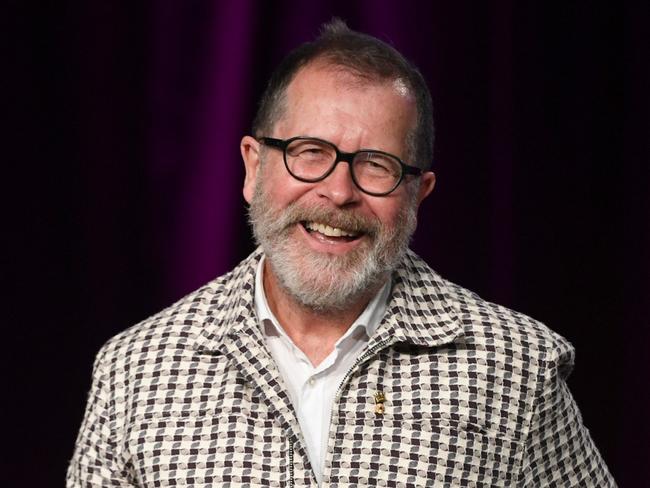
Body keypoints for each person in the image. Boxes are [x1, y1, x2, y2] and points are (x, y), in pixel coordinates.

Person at [68, 19, 615, 487]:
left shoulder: (516, 369)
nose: (338, 192)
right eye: (311, 153)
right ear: (254, 166)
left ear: (417, 194)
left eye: (376, 164)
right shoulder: (136, 371)